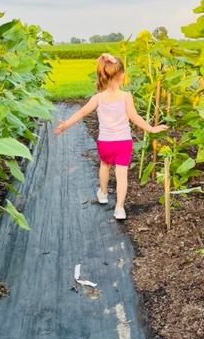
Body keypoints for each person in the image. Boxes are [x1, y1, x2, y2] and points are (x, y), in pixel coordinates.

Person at [53, 53, 168, 220]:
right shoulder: (126, 97)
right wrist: (151, 129)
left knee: (105, 166)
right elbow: (135, 117)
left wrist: (65, 125)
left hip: (106, 142)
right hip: (124, 142)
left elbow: (82, 112)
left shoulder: (98, 98)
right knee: (122, 175)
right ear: (121, 76)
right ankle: (120, 208)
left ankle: (104, 193)